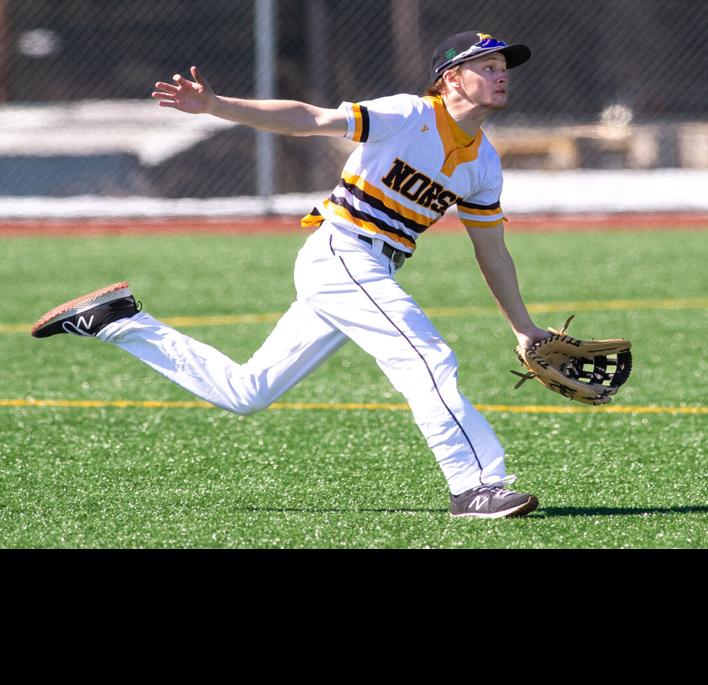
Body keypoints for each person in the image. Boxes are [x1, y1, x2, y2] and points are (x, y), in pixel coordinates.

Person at [32, 32, 553, 519]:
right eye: (486, 65)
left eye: (503, 66)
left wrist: (523, 326)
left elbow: (492, 250)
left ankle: (116, 320)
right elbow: (309, 117)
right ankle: (476, 485)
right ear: (450, 77)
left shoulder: (484, 163)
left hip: (368, 264)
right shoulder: (409, 113)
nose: (501, 74)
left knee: (247, 391)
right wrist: (217, 106)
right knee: (426, 356)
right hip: (342, 252)